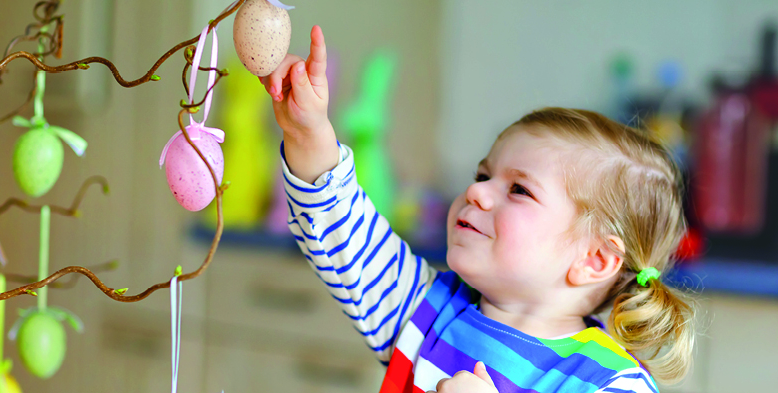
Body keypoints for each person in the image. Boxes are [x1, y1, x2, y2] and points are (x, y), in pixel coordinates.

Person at [259, 25, 696, 393]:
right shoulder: (427, 310)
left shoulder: (608, 382)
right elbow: (342, 229)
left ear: (594, 259)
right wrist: (308, 134)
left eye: (520, 190)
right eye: (483, 175)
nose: (477, 193)